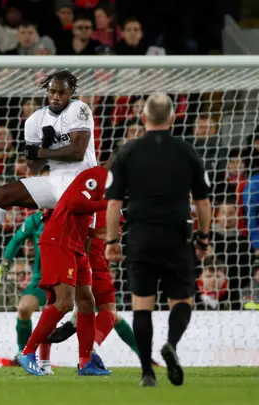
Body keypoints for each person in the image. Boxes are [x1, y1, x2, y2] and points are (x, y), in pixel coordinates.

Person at [105, 92, 212, 387]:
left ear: (144, 118)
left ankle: (146, 373)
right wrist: (203, 237)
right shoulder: (187, 151)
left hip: (140, 237)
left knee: (142, 305)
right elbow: (203, 201)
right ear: (173, 119)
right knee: (183, 300)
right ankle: (172, 345)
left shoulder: (128, 151)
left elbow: (113, 203)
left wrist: (112, 241)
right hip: (177, 235)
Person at [0, 70, 96, 277]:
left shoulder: (80, 109)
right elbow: (34, 168)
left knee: (83, 257)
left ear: (71, 92)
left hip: (82, 186)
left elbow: (77, 153)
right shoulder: (34, 121)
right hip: (55, 182)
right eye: (52, 92)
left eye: (62, 92)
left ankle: (85, 301)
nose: (56, 96)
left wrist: (42, 150)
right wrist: (42, 151)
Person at [17, 165, 111, 377]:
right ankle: (27, 351)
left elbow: (78, 214)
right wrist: (110, 203)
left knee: (87, 300)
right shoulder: (97, 176)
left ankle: (85, 361)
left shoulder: (112, 185)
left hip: (76, 244)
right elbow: (74, 203)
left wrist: (96, 232)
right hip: (59, 241)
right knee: (64, 302)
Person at [47, 209, 161, 367]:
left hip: (70, 258)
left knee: (101, 310)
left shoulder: (75, 201)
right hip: (94, 262)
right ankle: (89, 350)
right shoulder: (109, 205)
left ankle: (32, 352)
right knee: (109, 312)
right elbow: (115, 232)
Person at [0, 210, 54, 375]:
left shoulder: (70, 214)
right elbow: (16, 240)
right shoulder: (35, 220)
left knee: (102, 313)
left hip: (70, 275)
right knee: (24, 308)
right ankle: (25, 355)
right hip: (42, 279)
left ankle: (87, 357)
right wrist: (4, 264)